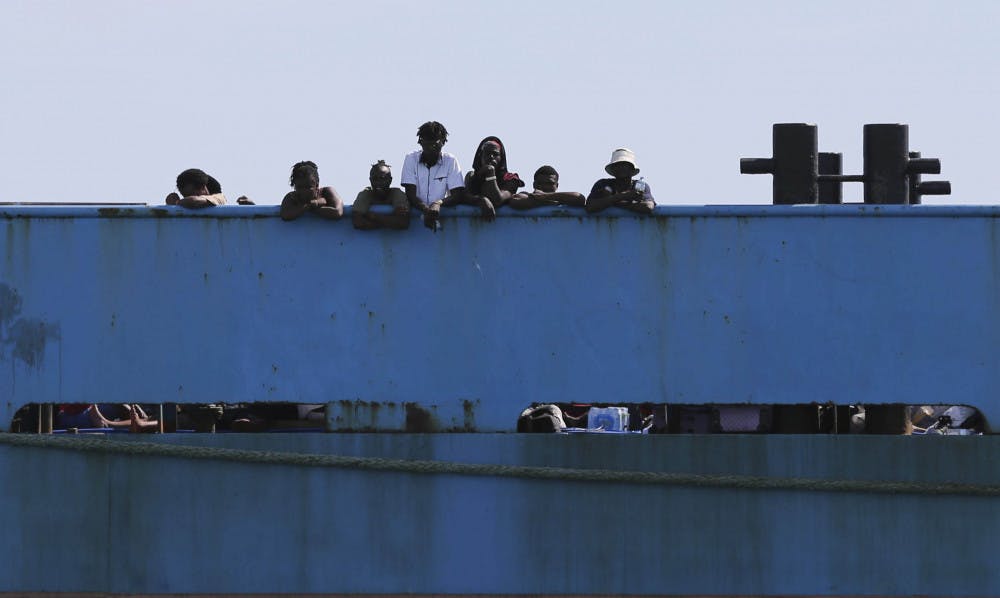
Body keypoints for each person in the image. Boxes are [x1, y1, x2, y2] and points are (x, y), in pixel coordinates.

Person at [401, 121, 465, 229]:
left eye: (435, 144)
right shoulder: (410, 159)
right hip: (416, 217)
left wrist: (438, 204)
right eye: (427, 143)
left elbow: (457, 195)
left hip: (442, 216)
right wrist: (427, 210)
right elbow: (410, 194)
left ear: (443, 142)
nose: (430, 148)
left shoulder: (450, 161)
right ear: (420, 142)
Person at [461, 136, 524, 221]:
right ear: (480, 157)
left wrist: (491, 173)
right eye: (487, 153)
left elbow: (497, 200)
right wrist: (481, 200)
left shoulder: (511, 179)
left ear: (501, 158)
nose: (491, 157)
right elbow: (463, 197)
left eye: (495, 154)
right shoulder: (472, 177)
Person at [585, 148, 655, 215]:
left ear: (632, 169)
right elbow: (590, 206)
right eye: (617, 165)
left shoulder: (640, 186)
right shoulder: (602, 184)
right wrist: (622, 197)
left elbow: (648, 206)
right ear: (612, 169)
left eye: (624, 165)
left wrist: (615, 202)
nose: (620, 168)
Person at [352, 160, 410, 230]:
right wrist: (389, 220)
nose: (378, 183)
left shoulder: (397, 194)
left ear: (390, 180)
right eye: (375, 179)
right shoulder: (366, 193)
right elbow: (358, 222)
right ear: (370, 180)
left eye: (382, 178)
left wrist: (374, 217)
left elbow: (402, 222)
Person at [279, 161, 344, 221]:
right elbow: (285, 215)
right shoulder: (292, 197)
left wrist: (307, 207)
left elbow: (338, 212)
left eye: (308, 187)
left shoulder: (327, 192)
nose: (303, 191)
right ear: (294, 186)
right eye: (299, 187)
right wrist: (310, 206)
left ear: (317, 185)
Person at [510, 165, 586, 209]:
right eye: (540, 183)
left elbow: (580, 198)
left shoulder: (562, 198)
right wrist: (550, 202)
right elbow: (516, 200)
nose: (545, 187)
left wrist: (545, 196)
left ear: (557, 186)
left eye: (550, 183)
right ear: (534, 185)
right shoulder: (526, 195)